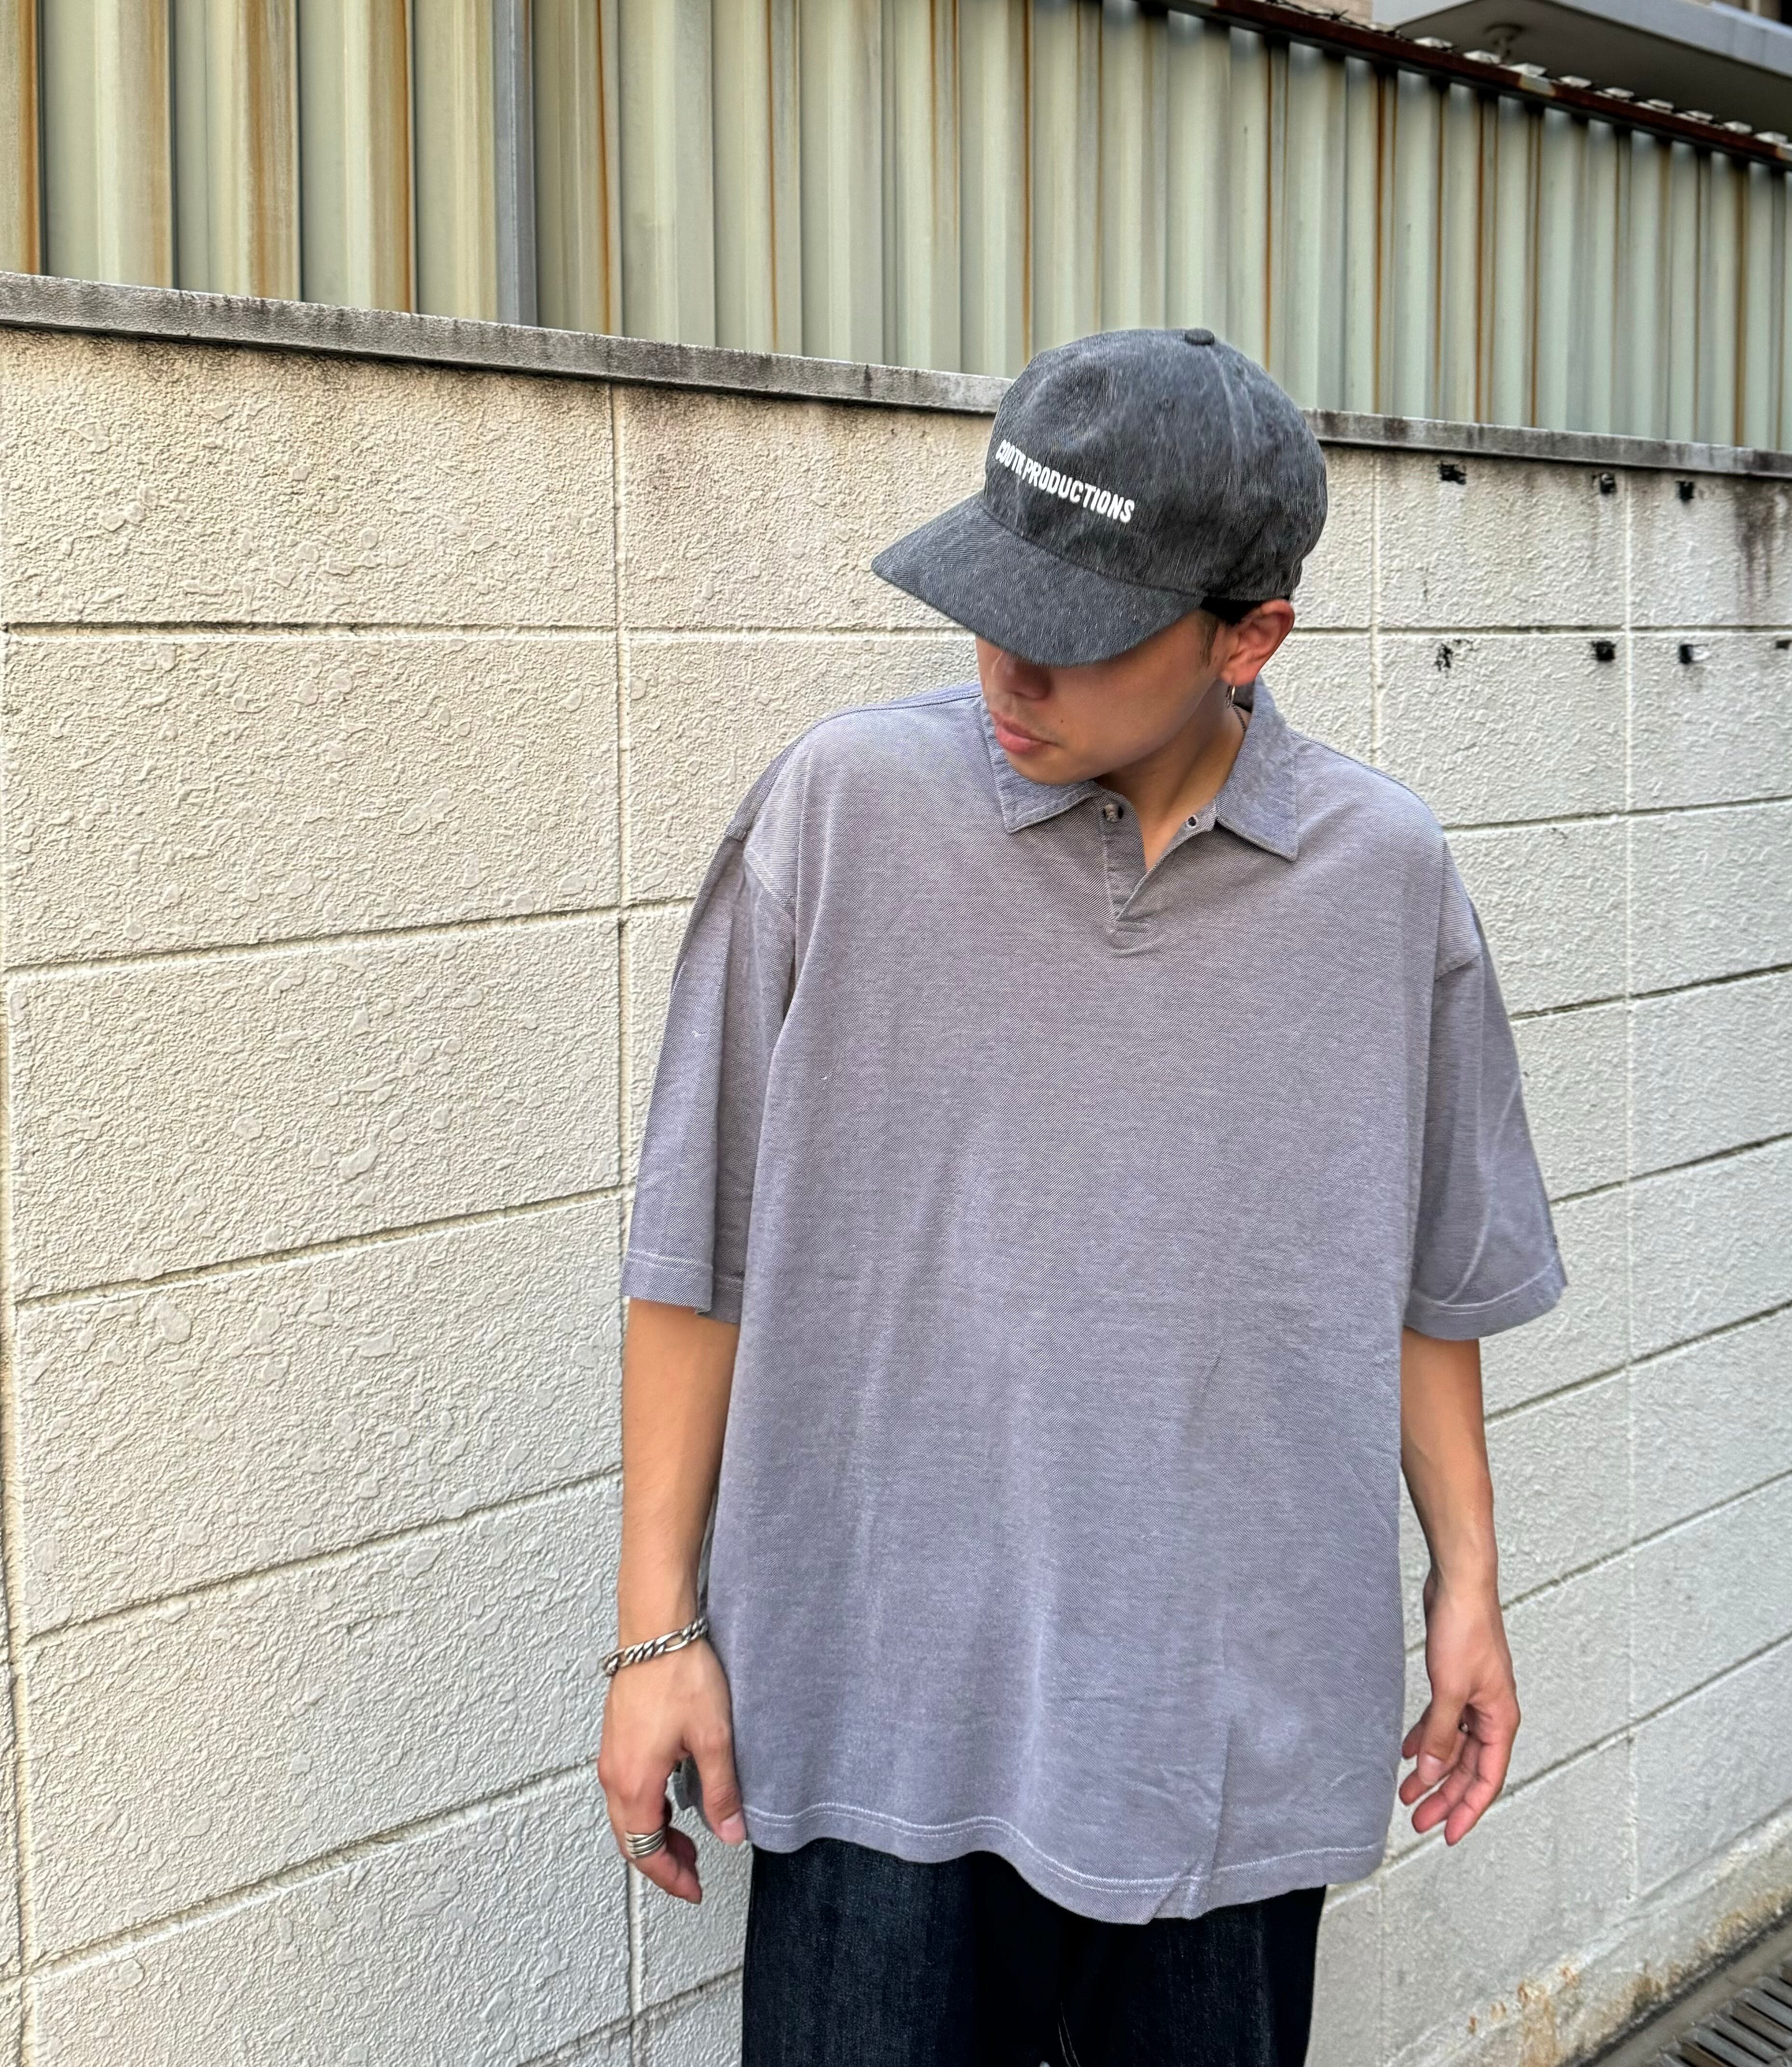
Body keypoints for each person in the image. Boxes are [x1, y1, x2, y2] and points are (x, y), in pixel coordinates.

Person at [596, 326, 1566, 2067]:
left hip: (1221, 1727)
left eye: (1078, 630)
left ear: (1247, 637)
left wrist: (1468, 1583)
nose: (1008, 666)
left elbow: (1427, 1284)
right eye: (992, 600)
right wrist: (653, 1627)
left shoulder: (1384, 878)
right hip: (880, 1715)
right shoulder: (841, 809)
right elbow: (695, 1251)